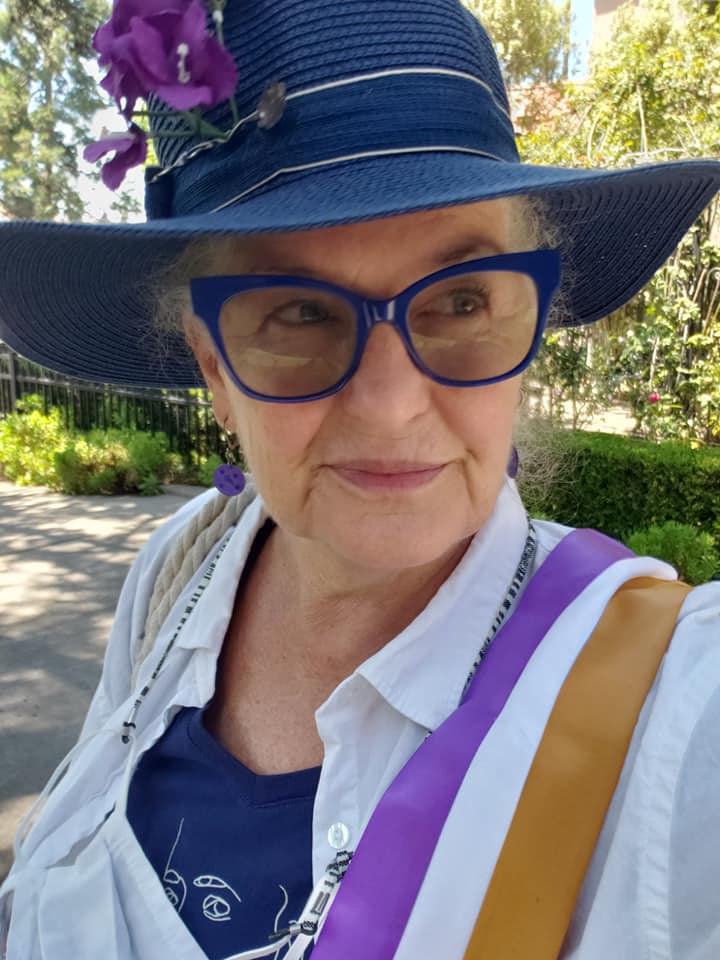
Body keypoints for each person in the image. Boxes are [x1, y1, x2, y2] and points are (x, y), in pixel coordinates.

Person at [0, 1, 719, 958]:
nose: (390, 407)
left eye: (462, 300)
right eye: (300, 313)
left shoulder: (672, 708)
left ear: (531, 324)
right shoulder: (180, 571)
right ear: (214, 368)